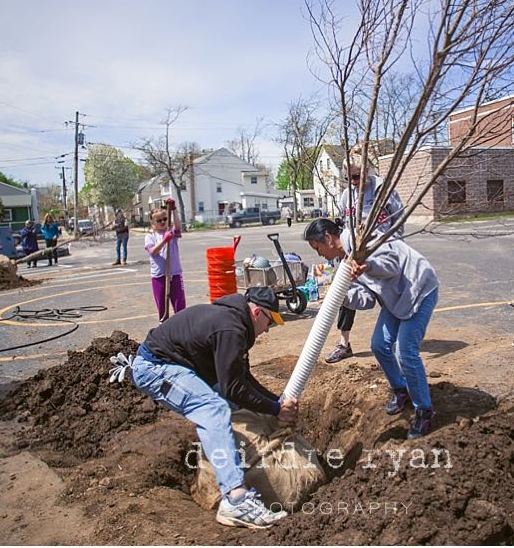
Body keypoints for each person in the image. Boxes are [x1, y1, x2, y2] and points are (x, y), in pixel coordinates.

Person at [128, 286, 296, 528]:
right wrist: (275, 409)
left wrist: (277, 402)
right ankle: (236, 499)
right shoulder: (231, 328)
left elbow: (242, 379)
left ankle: (223, 457)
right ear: (257, 313)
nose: (268, 329)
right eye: (270, 322)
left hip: (177, 366)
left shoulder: (233, 321)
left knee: (227, 402)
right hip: (155, 368)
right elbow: (233, 388)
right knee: (214, 408)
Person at [303, 218, 438, 439]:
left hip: (417, 288)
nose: (319, 255)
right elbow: (366, 300)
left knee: (405, 352)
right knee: (379, 345)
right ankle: (401, 389)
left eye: (317, 248)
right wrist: (342, 296)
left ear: (327, 238)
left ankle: (424, 410)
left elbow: (392, 265)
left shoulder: (362, 240)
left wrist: (368, 265)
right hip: (395, 299)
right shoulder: (344, 263)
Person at [325, 152, 405, 364]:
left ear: (367, 170)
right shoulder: (346, 197)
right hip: (354, 257)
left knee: (388, 297)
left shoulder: (383, 191)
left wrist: (393, 251)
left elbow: (398, 222)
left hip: (380, 255)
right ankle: (344, 343)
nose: (353, 182)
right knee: (345, 293)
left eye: (357, 176)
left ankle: (393, 343)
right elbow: (344, 225)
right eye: (349, 178)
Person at [144, 200, 186, 319]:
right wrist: (164, 241)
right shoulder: (150, 236)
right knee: (162, 308)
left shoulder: (171, 231)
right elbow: (153, 251)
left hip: (175, 273)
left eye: (164, 219)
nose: (162, 222)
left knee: (180, 307)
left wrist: (174, 209)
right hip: (159, 276)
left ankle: (182, 331)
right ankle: (164, 329)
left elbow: (178, 227)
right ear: (152, 222)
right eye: (158, 220)